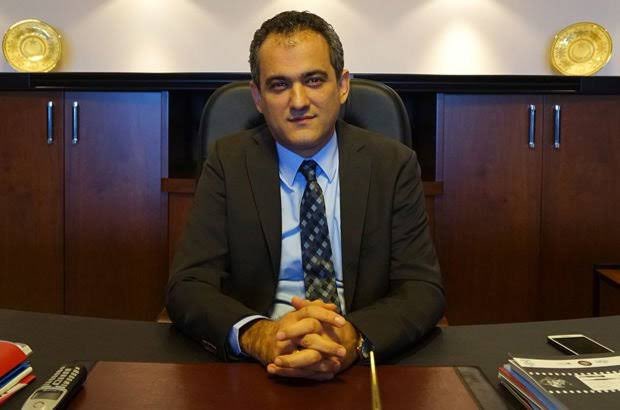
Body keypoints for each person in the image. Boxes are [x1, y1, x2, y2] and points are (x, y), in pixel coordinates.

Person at [166, 10, 444, 381]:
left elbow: (422, 289)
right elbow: (188, 286)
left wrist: (353, 337)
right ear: (258, 97)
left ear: (342, 85)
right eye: (279, 85)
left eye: (313, 80)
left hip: (361, 364)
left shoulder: (393, 164)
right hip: (258, 365)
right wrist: (258, 335)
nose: (298, 101)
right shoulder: (227, 163)